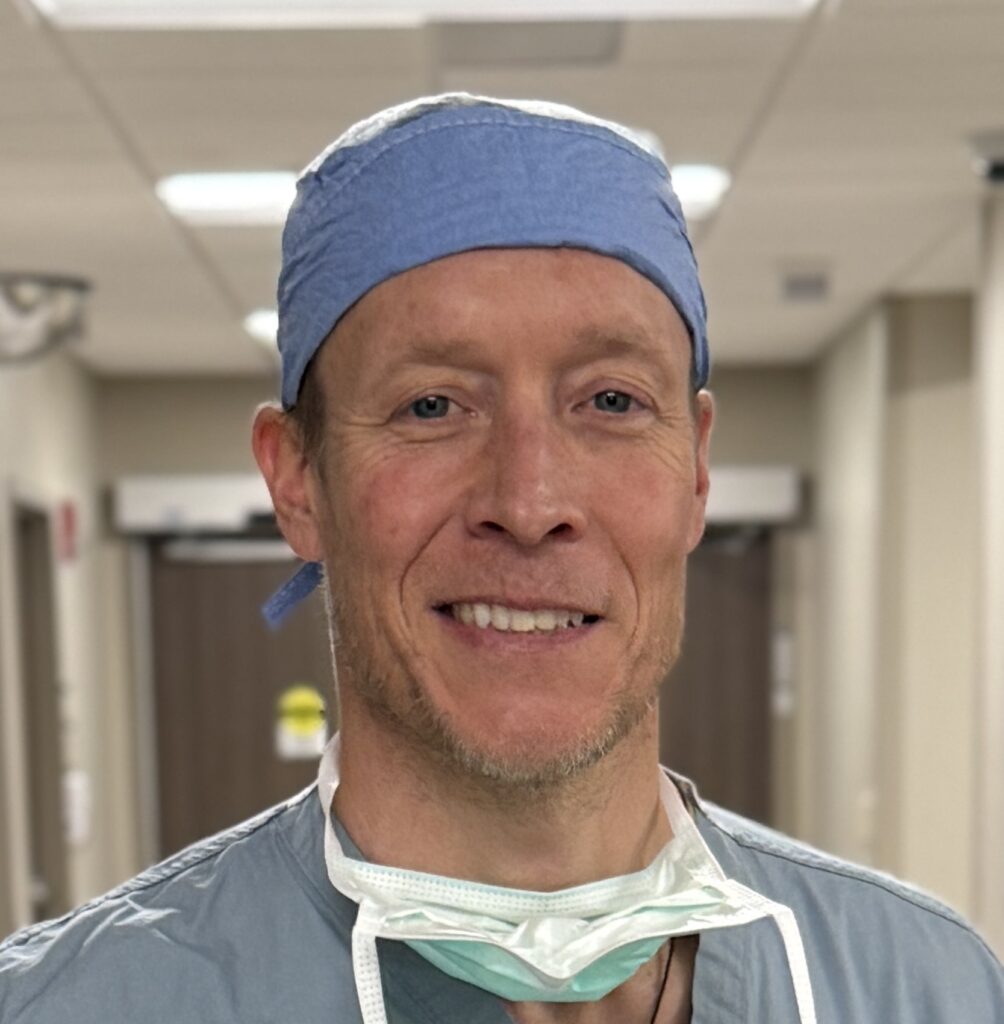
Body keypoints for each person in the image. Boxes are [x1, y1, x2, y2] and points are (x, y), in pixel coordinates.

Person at [1, 93, 1002, 1024]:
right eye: (431, 405)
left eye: (609, 402)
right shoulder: (77, 1003)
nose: (528, 504)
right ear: (298, 480)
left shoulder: (920, 985)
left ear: (695, 472)